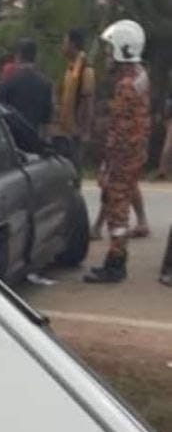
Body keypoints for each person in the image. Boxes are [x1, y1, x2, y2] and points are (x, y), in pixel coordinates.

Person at [85, 20, 151, 284]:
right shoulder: (141, 75)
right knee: (119, 209)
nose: (106, 54)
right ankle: (116, 259)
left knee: (118, 213)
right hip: (135, 155)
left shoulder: (125, 86)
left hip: (123, 159)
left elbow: (119, 132)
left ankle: (115, 263)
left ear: (122, 49)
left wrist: (107, 165)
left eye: (110, 49)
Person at [53, 27, 96, 177]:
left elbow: (87, 101)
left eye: (65, 42)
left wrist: (85, 130)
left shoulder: (85, 70)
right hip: (65, 129)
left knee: (74, 170)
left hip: (76, 131)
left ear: (73, 44)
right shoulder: (70, 68)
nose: (63, 46)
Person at [0, 38, 53, 137]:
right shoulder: (45, 84)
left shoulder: (10, 82)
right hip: (34, 141)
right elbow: (46, 122)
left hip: (13, 141)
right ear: (35, 57)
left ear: (18, 56)